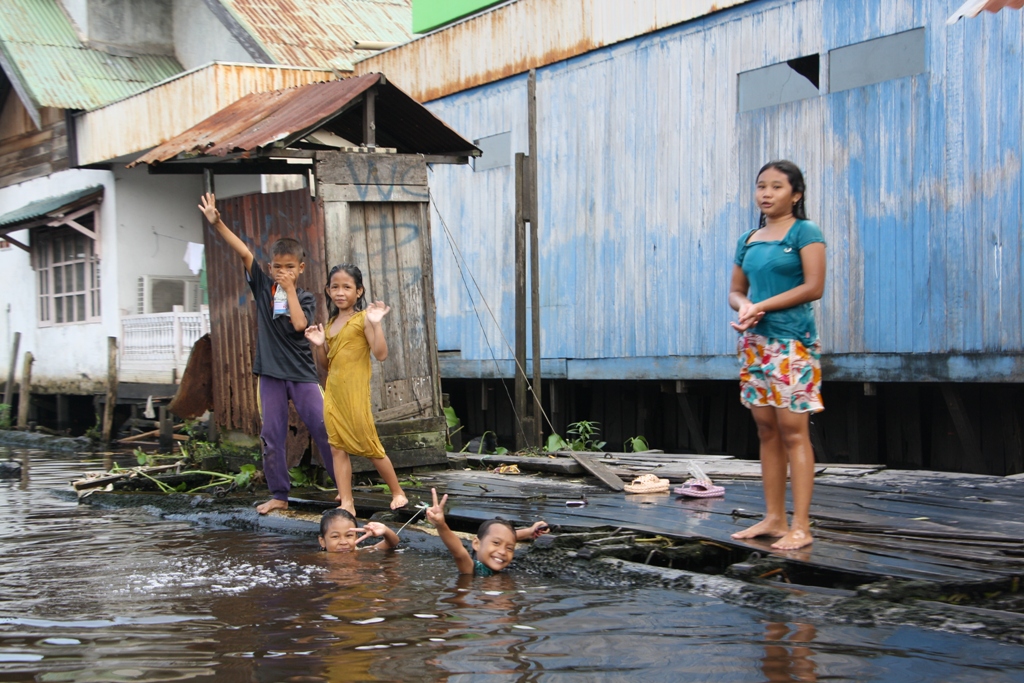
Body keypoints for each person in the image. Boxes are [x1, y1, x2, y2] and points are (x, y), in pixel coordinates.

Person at [197, 193, 338, 515]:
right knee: (272, 436)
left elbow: (300, 326)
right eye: (278, 267)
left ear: (300, 268)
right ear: (270, 267)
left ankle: (343, 490)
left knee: (323, 429)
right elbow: (244, 252)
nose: (283, 272)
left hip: (302, 375)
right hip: (271, 374)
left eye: (290, 268)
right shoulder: (263, 288)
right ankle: (279, 494)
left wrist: (288, 290)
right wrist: (217, 222)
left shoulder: (304, 296)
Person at [727, 160, 826, 551]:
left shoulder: (806, 231)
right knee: (766, 431)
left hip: (792, 345)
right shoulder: (749, 238)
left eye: (776, 187)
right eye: (760, 186)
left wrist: (762, 305)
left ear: (795, 195)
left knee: (793, 432)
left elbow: (814, 286)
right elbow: (736, 290)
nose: (766, 194)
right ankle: (773, 517)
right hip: (755, 344)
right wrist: (745, 306)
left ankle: (801, 525)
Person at [304, 264, 408, 515]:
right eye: (335, 287)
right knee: (337, 447)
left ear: (358, 291)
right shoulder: (329, 325)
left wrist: (376, 323)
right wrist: (318, 345)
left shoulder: (362, 319)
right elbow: (326, 365)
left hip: (355, 395)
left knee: (370, 445)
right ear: (328, 291)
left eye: (347, 287)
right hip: (334, 395)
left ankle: (398, 491)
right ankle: (347, 501)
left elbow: (381, 354)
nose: (340, 292)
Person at [425, 488, 549, 576]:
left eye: (510, 548)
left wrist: (529, 532)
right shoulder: (471, 569)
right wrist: (441, 525)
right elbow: (458, 551)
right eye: (496, 543)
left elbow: (505, 538)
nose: (502, 552)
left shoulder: (503, 567)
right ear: (477, 544)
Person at [318, 507, 399, 553]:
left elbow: (392, 543)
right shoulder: (318, 558)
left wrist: (385, 530)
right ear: (322, 541)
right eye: (335, 536)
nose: (343, 542)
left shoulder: (361, 552)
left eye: (349, 535)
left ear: (356, 537)